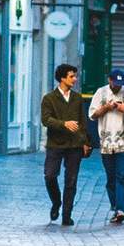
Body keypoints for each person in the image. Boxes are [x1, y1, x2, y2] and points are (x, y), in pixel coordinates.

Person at [89, 69, 124, 224]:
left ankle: (121, 210)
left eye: (120, 84)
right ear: (109, 80)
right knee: (111, 178)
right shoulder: (101, 93)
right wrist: (106, 107)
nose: (118, 87)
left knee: (121, 176)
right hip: (107, 142)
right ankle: (115, 206)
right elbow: (92, 115)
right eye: (115, 84)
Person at [41, 64, 89, 226]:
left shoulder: (77, 98)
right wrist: (64, 124)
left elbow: (82, 122)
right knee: (50, 175)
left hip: (75, 145)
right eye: (71, 76)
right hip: (55, 144)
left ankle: (66, 215)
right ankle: (56, 202)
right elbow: (46, 119)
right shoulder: (49, 98)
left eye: (75, 76)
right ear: (62, 78)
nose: (74, 79)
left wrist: (85, 142)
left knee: (71, 180)